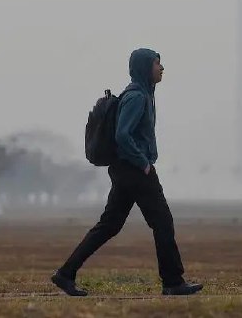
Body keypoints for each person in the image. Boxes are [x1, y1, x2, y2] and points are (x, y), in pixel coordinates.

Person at [52, 48, 202, 297]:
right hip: (134, 170)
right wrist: (143, 163)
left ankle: (65, 274)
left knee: (109, 225)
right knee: (162, 222)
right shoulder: (136, 97)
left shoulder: (143, 94)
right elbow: (123, 134)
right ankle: (173, 282)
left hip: (126, 170)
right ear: (145, 68)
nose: (162, 68)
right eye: (157, 63)